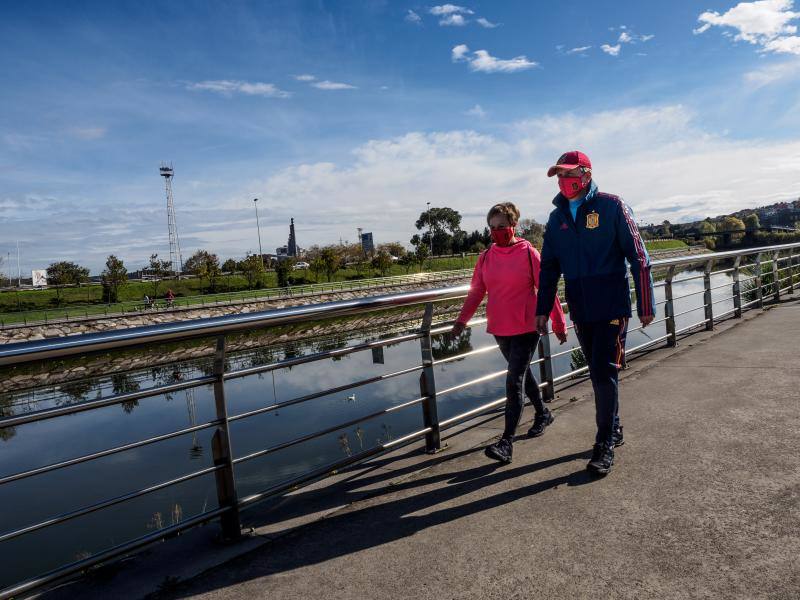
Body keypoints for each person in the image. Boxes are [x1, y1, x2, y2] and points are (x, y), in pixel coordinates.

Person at [535, 150, 655, 475]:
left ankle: (603, 445)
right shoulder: (556, 218)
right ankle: (614, 428)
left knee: (604, 372)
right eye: (559, 176)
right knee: (597, 372)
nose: (563, 181)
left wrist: (645, 303)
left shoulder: (611, 206)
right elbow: (548, 267)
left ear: (586, 174)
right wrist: (543, 308)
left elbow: (639, 257)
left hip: (612, 305)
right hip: (580, 307)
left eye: (569, 174)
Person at [452, 202, 568, 464]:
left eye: (501, 227)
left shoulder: (529, 253)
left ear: (514, 225)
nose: (496, 232)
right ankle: (542, 413)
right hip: (500, 328)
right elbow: (476, 293)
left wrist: (559, 324)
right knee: (523, 376)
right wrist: (461, 321)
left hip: (528, 326)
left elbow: (548, 292)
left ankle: (506, 443)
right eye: (491, 228)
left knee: (513, 380)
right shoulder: (485, 257)